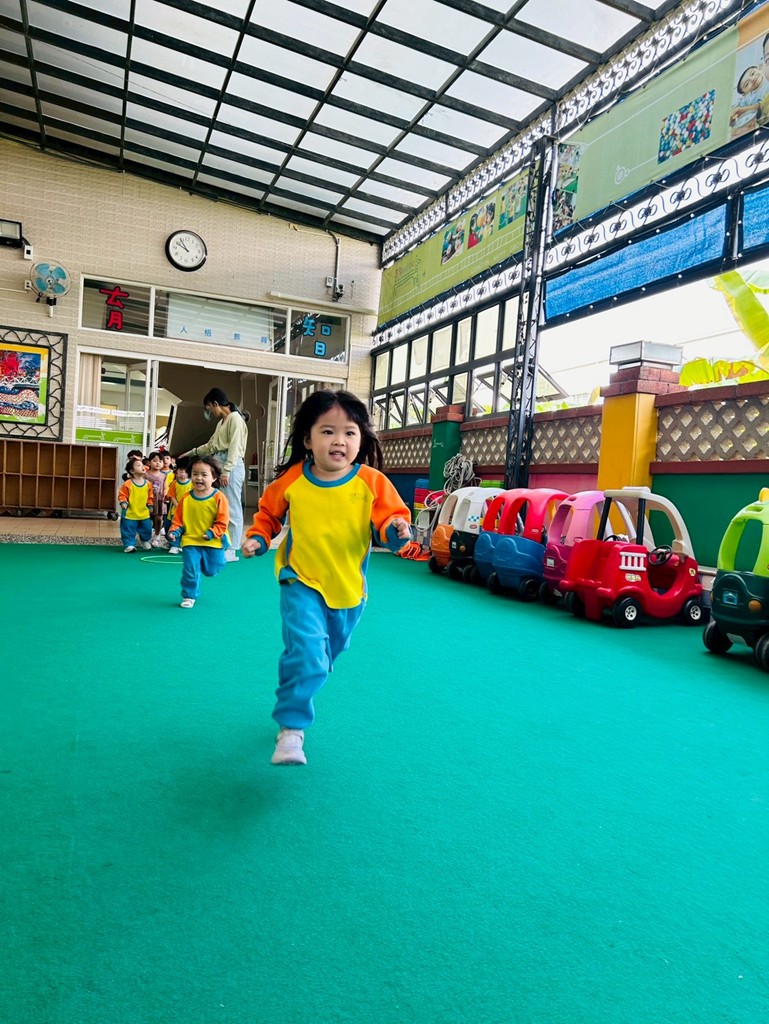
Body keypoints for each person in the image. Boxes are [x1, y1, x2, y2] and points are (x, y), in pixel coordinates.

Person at [242, 389, 412, 766]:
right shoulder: (293, 479)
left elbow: (390, 525)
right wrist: (258, 537)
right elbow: (268, 514)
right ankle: (291, 729)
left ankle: (304, 680)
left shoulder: (372, 482)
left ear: (361, 440)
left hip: (348, 591)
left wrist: (397, 531)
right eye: (328, 431)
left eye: (349, 432)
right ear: (307, 439)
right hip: (300, 580)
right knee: (307, 655)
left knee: (324, 656)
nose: (339, 440)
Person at [180, 388, 249, 564]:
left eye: (209, 408)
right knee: (219, 506)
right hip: (218, 463)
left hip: (230, 465)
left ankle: (232, 549)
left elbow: (234, 448)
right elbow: (210, 446)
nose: (210, 412)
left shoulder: (235, 419)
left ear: (215, 403)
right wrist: (191, 452)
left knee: (231, 507)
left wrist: (227, 471)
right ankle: (221, 543)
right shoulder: (221, 423)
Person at [167, 456, 230, 609]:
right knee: (190, 569)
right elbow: (179, 520)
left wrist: (212, 533)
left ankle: (214, 561)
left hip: (213, 541)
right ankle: (189, 595)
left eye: (204, 474)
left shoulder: (219, 498)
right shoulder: (186, 498)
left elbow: (223, 521)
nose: (199, 478)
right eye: (195, 474)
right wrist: (175, 531)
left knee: (212, 570)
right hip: (190, 541)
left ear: (214, 478)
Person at [117, 458, 154, 553]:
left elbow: (150, 496)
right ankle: (129, 544)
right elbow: (122, 495)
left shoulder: (148, 484)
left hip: (144, 513)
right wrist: (123, 502)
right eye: (138, 465)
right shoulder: (127, 484)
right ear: (132, 471)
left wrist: (150, 505)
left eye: (142, 465)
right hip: (130, 513)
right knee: (128, 529)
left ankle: (145, 540)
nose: (142, 467)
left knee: (147, 529)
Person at [165, 457, 193, 554]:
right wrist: (177, 505)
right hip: (175, 510)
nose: (183, 473)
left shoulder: (192, 483)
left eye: (185, 471)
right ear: (177, 471)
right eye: (181, 470)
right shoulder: (174, 483)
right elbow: (172, 496)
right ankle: (174, 545)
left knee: (186, 528)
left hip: (188, 510)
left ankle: (182, 544)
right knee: (174, 527)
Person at [145, 451, 167, 547]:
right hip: (148, 499)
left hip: (159, 500)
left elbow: (165, 487)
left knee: (159, 519)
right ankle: (146, 536)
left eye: (160, 461)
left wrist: (165, 493)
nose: (158, 463)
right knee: (146, 519)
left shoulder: (163, 475)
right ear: (149, 462)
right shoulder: (145, 475)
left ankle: (157, 536)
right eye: (155, 461)